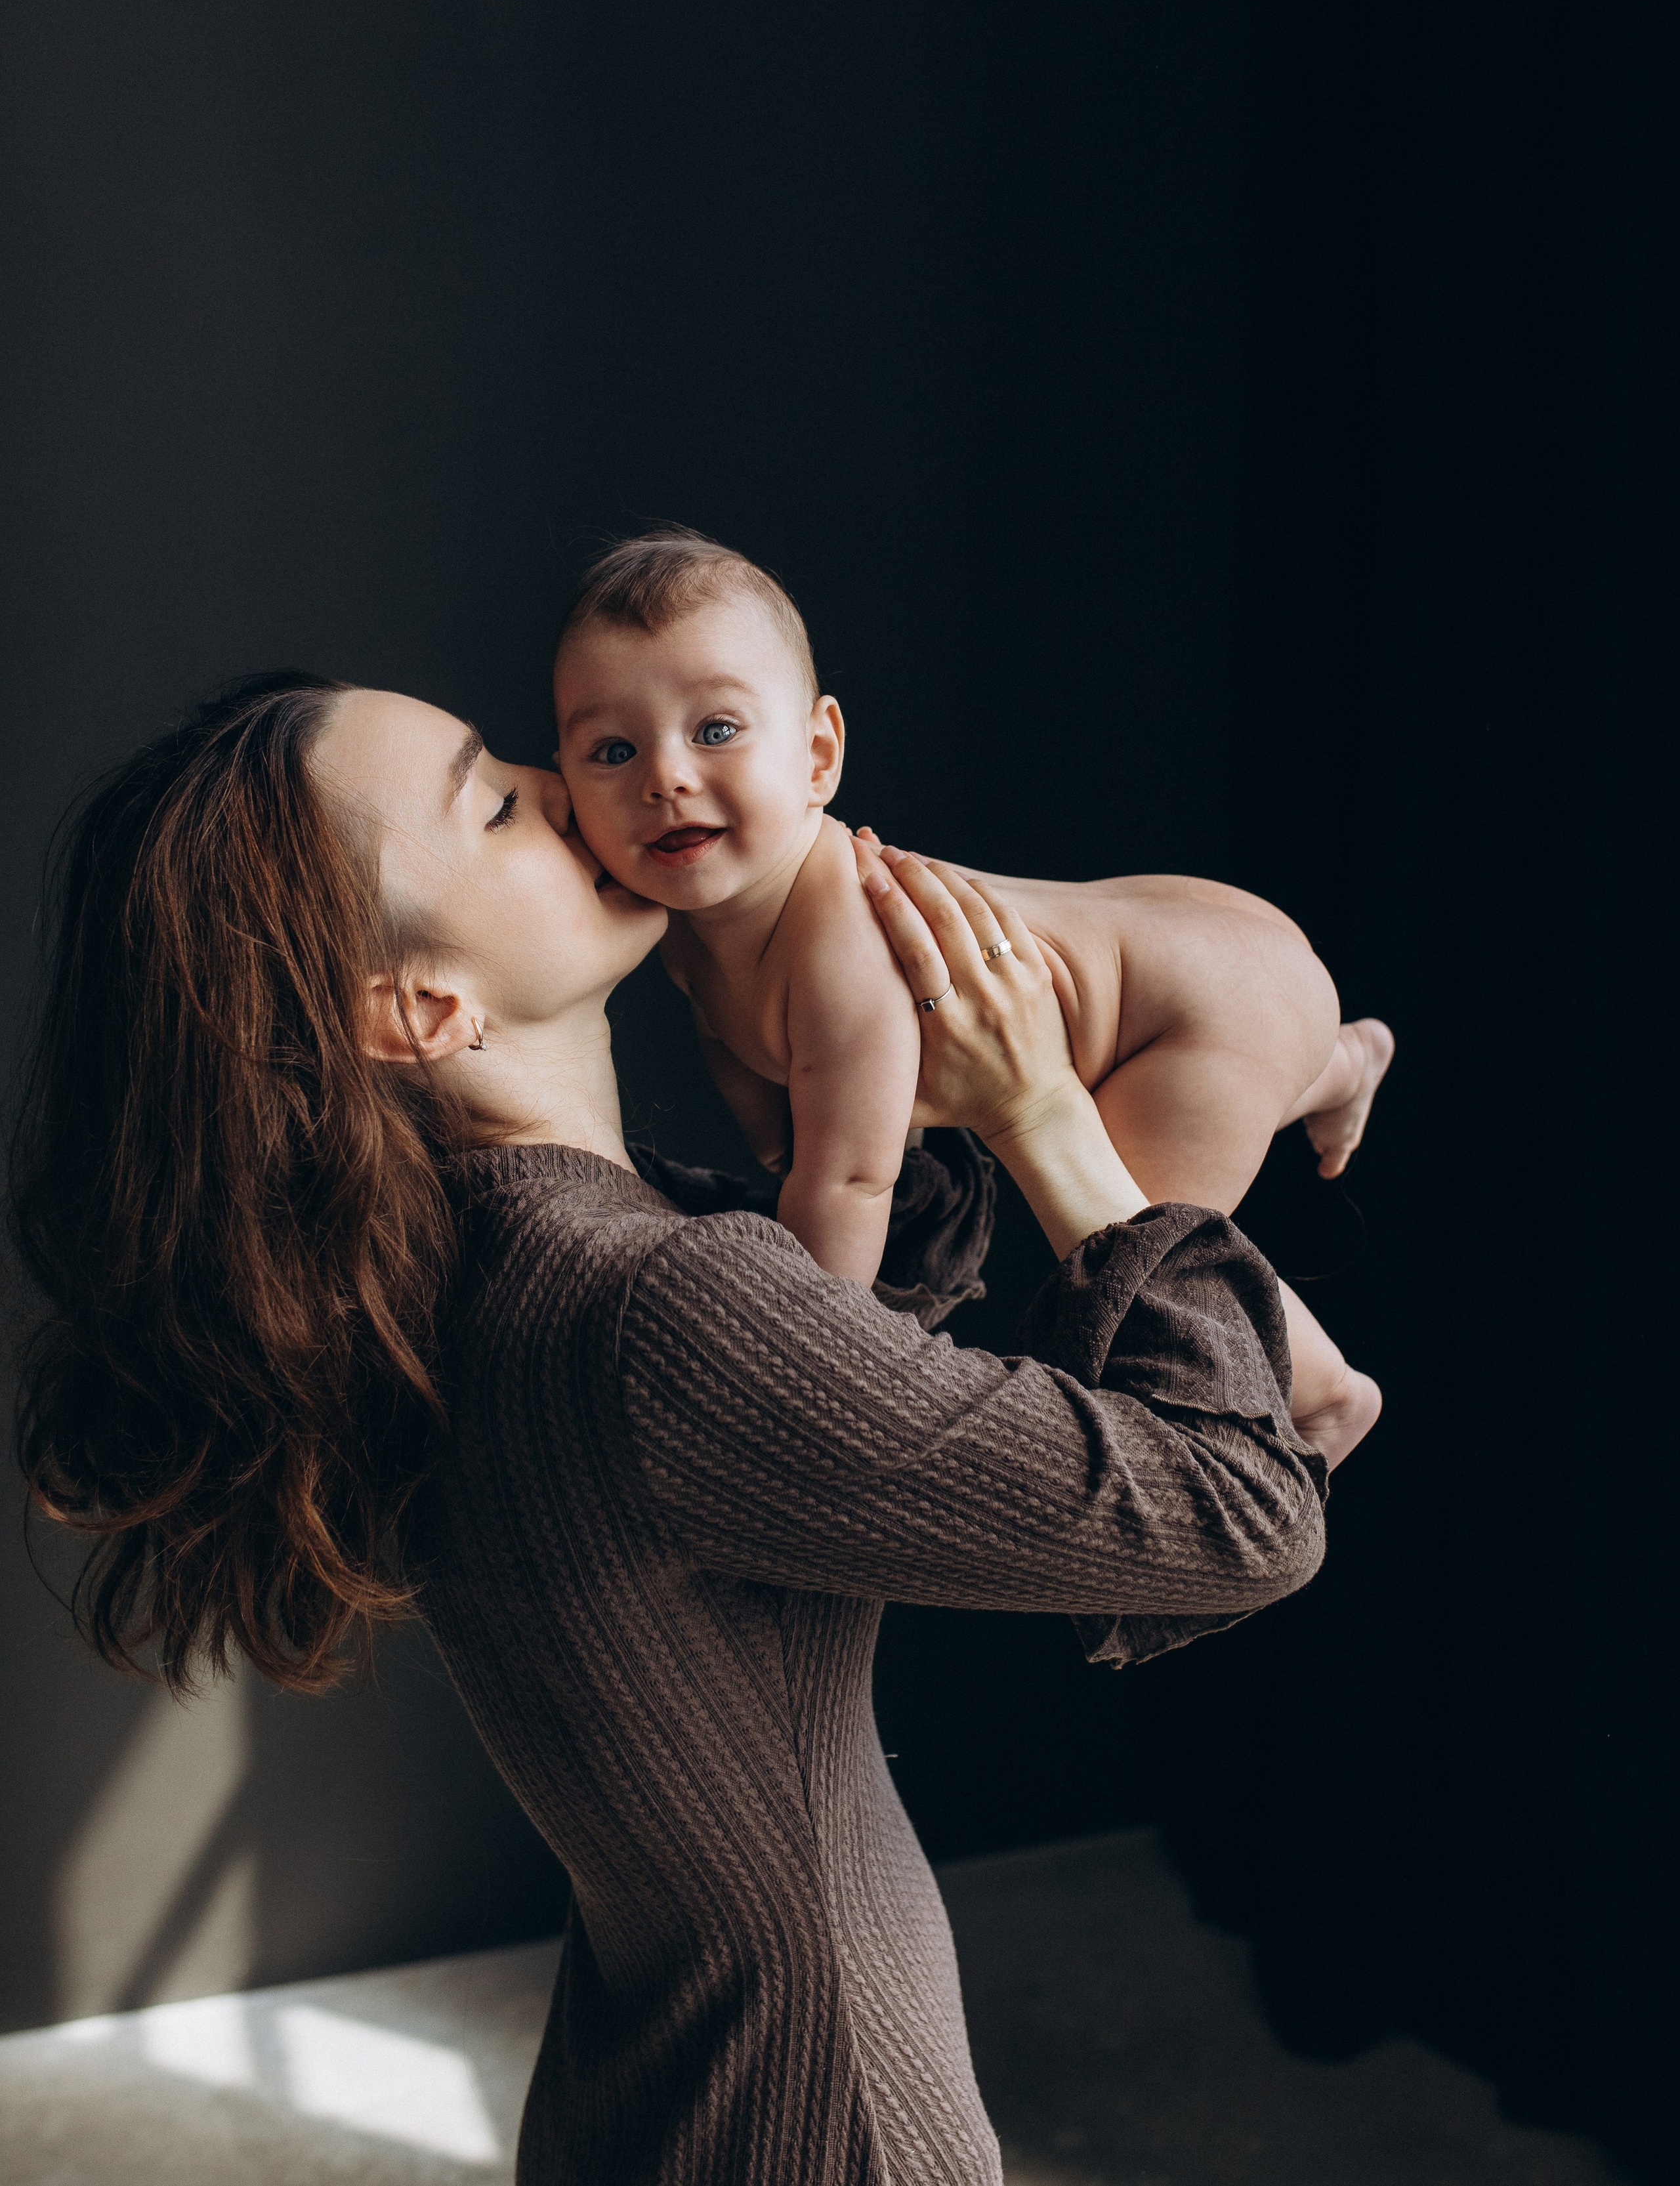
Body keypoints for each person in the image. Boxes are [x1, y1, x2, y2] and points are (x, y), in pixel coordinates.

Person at [11, 671, 1328, 2186]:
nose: (573, 786)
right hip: (827, 2117)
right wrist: (1045, 1124)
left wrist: (877, 1090)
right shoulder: (645, 1307)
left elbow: (822, 1386)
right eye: (498, 801)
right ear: (424, 1008)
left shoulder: (461, 1268)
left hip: (661, 2083)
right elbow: (1240, 1519)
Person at [553, 527, 1388, 1465]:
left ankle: (1325, 1392)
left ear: (819, 756)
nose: (665, 776)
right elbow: (740, 1056)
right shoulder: (683, 925)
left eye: (716, 730)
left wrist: (787, 1354)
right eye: (613, 749)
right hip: (1191, 937)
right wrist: (773, 1138)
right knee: (1154, 1194)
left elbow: (851, 1180)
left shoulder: (839, 948)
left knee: (1144, 1246)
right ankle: (1339, 1060)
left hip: (1202, 1010)